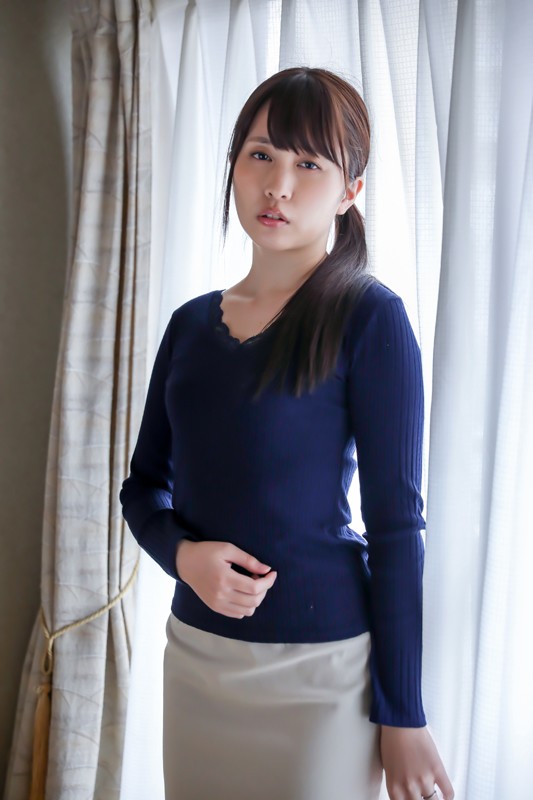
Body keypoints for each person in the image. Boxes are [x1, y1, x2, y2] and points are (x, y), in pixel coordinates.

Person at [120, 67, 454, 800]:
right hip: (197, 659)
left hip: (324, 675)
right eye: (261, 155)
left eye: (309, 165)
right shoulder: (189, 326)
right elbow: (142, 488)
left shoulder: (370, 318)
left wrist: (402, 713)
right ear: (234, 165)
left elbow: (397, 528)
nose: (277, 186)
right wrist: (183, 557)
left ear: (349, 191)